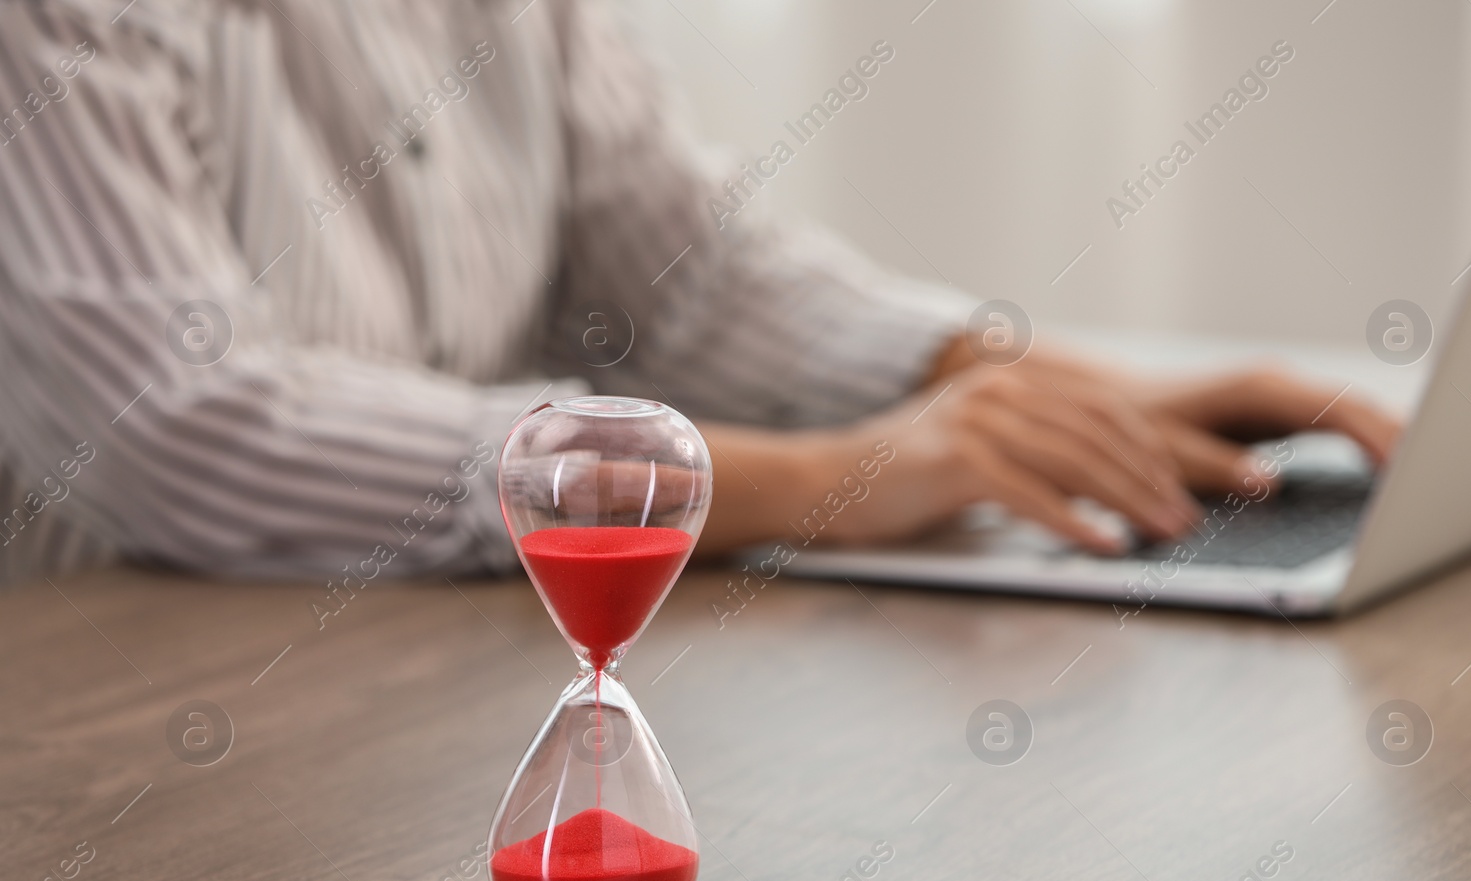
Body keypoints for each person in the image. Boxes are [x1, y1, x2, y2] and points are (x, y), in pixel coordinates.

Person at [0, 0, 1398, 585]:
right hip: (122, 799)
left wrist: (986, 379)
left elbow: (672, 273)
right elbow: (177, 427)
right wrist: (818, 481)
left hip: (417, 717)